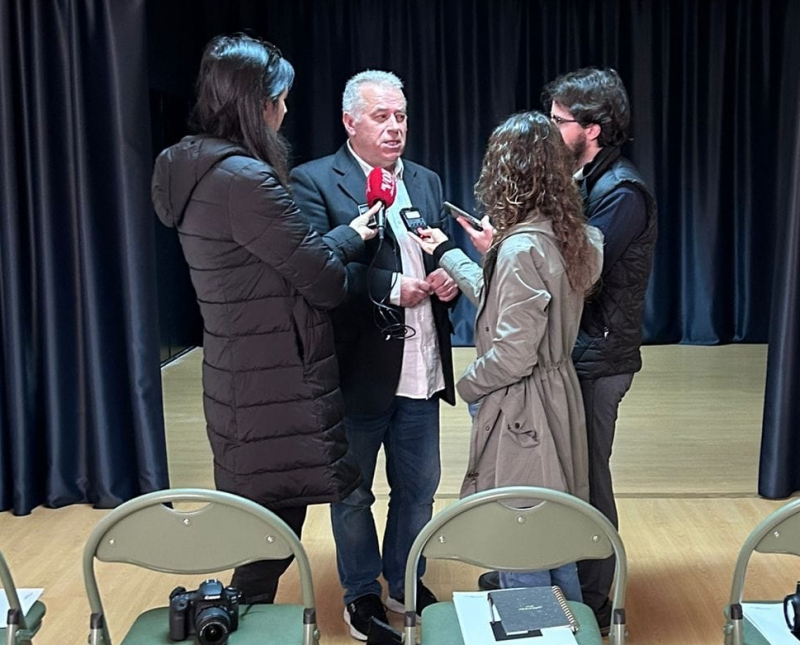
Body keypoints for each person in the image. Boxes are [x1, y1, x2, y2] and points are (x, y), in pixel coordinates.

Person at [151, 34, 379, 605]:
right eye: (280, 99)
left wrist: (329, 245)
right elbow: (323, 280)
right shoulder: (244, 182)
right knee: (273, 528)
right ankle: (235, 617)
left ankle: (236, 614)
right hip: (274, 377)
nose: (285, 111)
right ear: (258, 104)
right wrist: (353, 236)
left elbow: (273, 266)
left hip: (239, 370)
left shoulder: (192, 169)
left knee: (271, 517)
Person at [290, 70, 458, 641]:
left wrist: (446, 276)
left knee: (420, 488)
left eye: (401, 116)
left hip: (423, 365)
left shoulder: (428, 181)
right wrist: (388, 288)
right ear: (349, 122)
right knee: (353, 492)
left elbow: (438, 247)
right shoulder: (313, 181)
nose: (394, 128)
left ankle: (406, 579)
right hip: (358, 369)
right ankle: (361, 593)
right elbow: (316, 270)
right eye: (381, 117)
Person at [412, 111, 603, 599]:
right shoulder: (566, 235)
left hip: (522, 408)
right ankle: (570, 630)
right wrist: (450, 254)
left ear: (507, 173)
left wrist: (467, 385)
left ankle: (539, 630)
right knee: (550, 535)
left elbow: (514, 353)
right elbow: (506, 302)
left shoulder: (521, 249)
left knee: (519, 543)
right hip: (556, 397)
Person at [541, 67, 658, 629]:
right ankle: (568, 583)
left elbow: (580, 274)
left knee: (589, 475)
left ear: (594, 127)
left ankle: (593, 602)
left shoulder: (622, 191)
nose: (549, 128)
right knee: (571, 472)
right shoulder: (588, 178)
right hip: (580, 349)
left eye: (558, 120)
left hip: (600, 356)